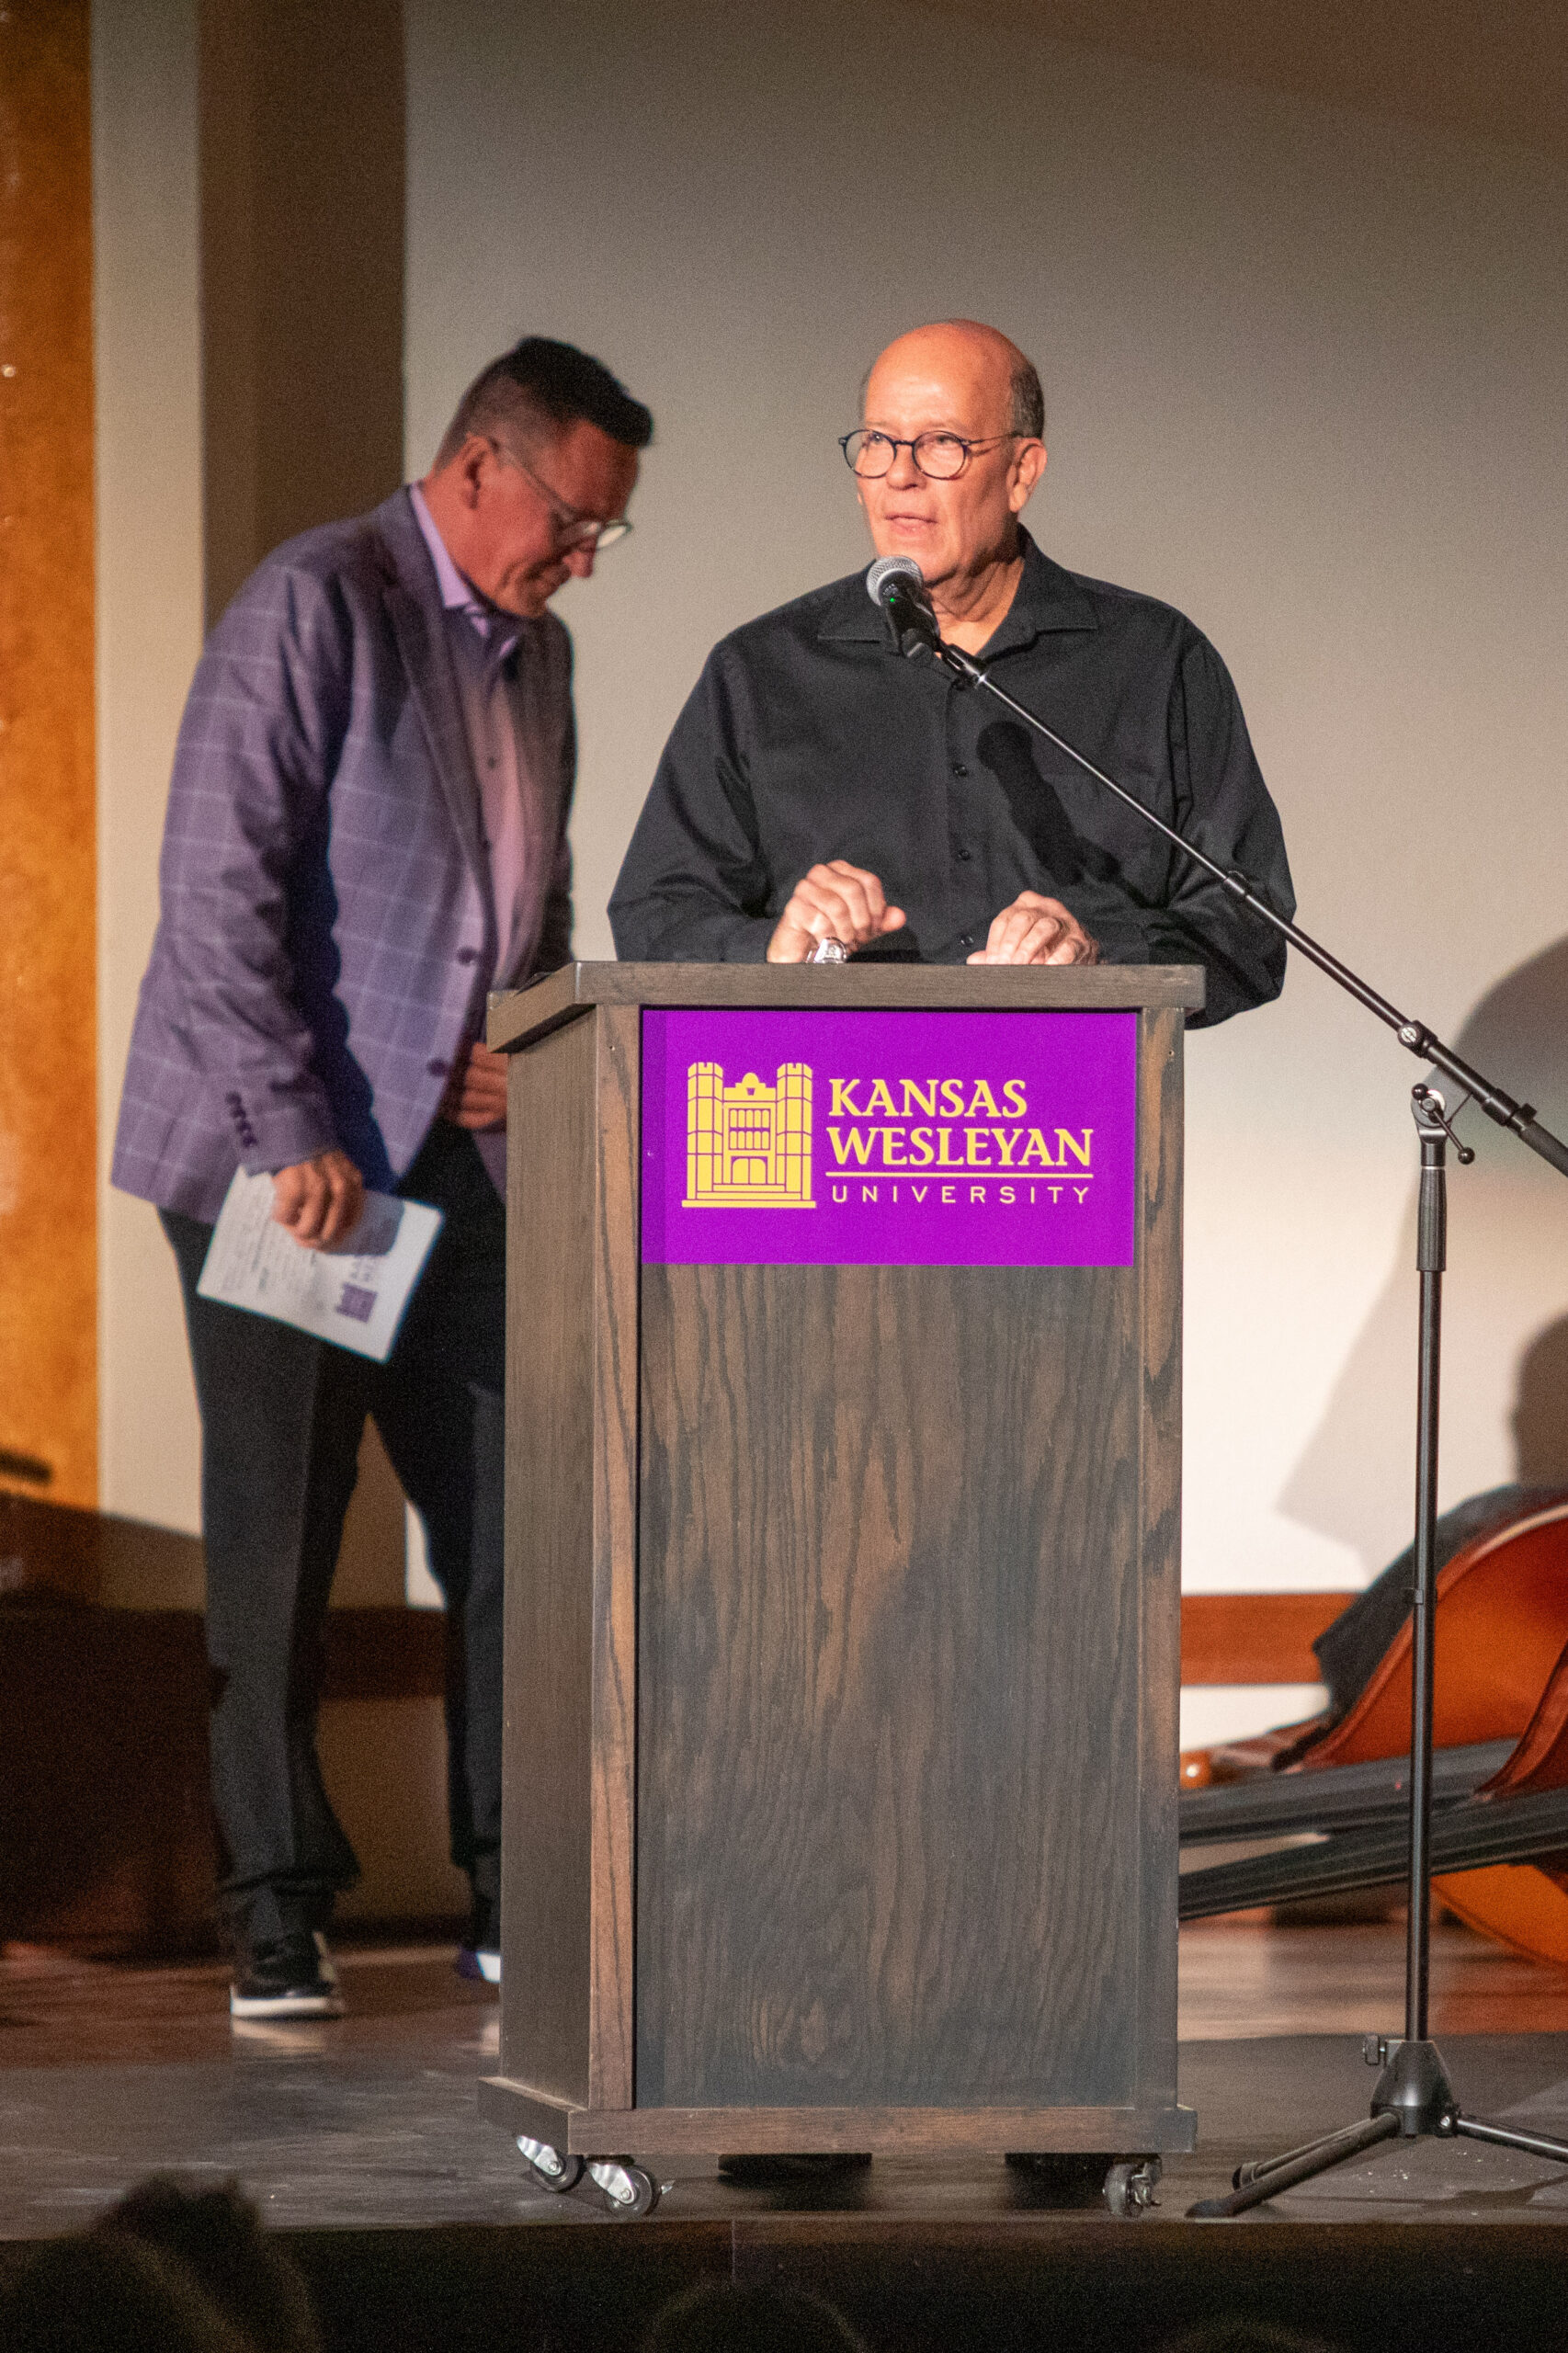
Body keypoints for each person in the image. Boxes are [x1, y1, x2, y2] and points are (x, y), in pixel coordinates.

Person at [112, 336, 652, 2018]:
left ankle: (513, 1888)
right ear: (478, 464)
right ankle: (277, 1910)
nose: (577, 562)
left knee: (513, 1528)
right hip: (284, 1166)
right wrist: (294, 1133)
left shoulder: (541, 660)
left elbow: (534, 908)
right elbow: (217, 894)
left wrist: (532, 1048)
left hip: (456, 1162)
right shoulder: (316, 602)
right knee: (280, 1545)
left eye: (602, 541)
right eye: (569, 522)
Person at [609, 318, 1290, 1022]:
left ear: (1021, 472)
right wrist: (778, 955)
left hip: (1065, 1118)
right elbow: (656, 916)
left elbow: (1249, 925)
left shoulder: (1153, 661)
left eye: (942, 445)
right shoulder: (761, 672)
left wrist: (1100, 956)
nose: (899, 475)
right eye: (877, 443)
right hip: (836, 1112)